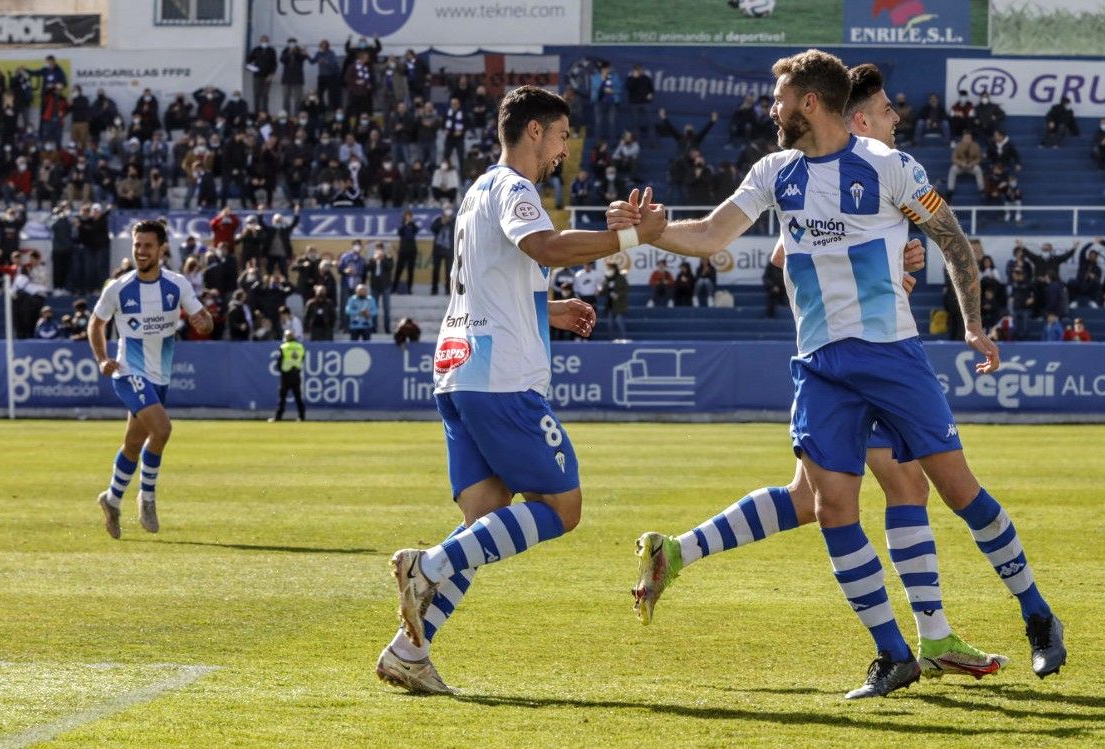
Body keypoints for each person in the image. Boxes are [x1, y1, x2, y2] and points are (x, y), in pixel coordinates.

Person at [611, 52, 1064, 698]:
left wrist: (973, 323)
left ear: (812, 105)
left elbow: (954, 239)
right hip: (822, 367)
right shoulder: (775, 173)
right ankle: (894, 652)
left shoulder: (889, 167)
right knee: (831, 508)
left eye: (780, 99)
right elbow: (713, 234)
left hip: (891, 356)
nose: (772, 109)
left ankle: (1038, 614)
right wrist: (650, 236)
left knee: (958, 490)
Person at [377, 85, 665, 695]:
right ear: (534, 131)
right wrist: (634, 239)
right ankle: (423, 566)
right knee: (562, 509)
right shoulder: (514, 187)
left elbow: (496, 279)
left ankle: (409, 651)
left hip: (458, 369)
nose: (565, 148)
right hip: (498, 377)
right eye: (561, 135)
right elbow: (547, 247)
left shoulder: (479, 191)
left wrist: (549, 310)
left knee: (483, 525)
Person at [88, 220, 213, 539]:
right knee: (163, 429)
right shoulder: (118, 287)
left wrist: (204, 321)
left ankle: (112, 499)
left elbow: (203, 319)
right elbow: (96, 324)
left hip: (160, 374)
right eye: (137, 245)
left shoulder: (177, 284)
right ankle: (147, 497)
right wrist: (103, 359)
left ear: (161, 249)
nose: (141, 251)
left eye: (147, 246)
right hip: (128, 372)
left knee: (133, 443)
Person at [271, 330, 306, 422]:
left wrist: (281, 370)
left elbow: (279, 361)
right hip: (296, 374)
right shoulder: (300, 346)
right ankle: (302, 416)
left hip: (286, 375)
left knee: (282, 398)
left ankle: (278, 417)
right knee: (298, 397)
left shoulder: (284, 347)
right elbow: (302, 358)